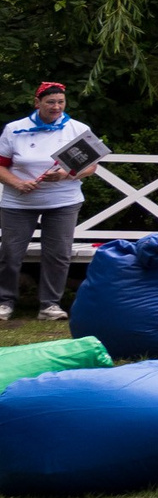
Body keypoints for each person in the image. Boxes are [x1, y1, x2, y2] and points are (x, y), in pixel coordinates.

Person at [1, 81, 101, 323]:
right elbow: (1, 166)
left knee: (58, 254)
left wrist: (65, 175)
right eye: (50, 102)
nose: (56, 107)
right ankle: (4, 302)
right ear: (37, 103)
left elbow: (91, 167)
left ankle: (50, 305)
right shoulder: (14, 129)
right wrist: (17, 183)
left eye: (60, 102)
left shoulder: (77, 129)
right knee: (10, 253)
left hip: (63, 201)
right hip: (18, 202)